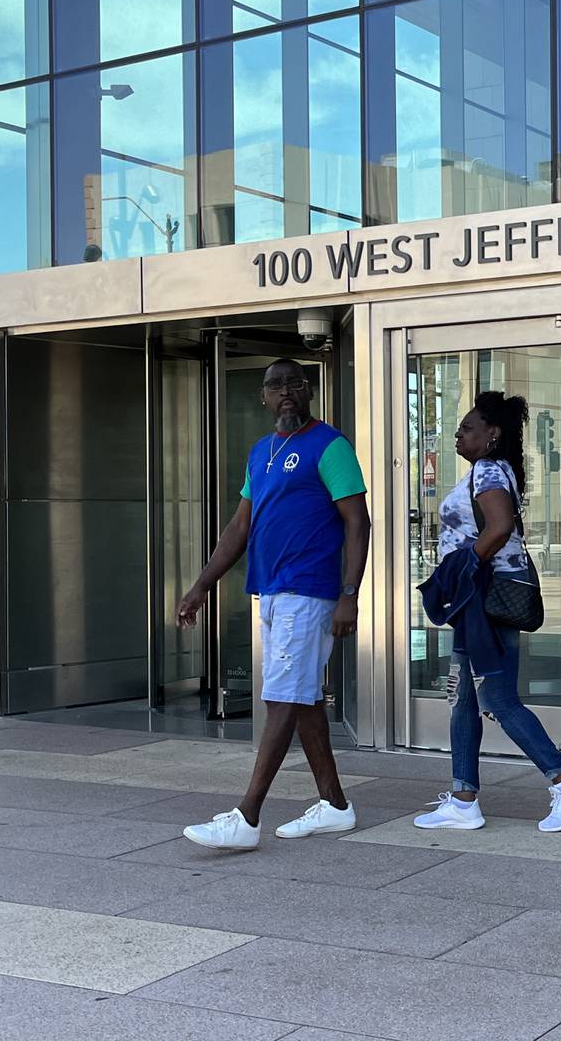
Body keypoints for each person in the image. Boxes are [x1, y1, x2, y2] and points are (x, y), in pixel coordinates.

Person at [177, 359, 370, 849]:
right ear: (262, 397)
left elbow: (357, 523)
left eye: (295, 385)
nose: (286, 392)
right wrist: (202, 585)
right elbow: (240, 526)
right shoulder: (262, 451)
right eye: (275, 386)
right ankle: (335, 806)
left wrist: (350, 593)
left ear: (309, 392)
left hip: (309, 592)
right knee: (301, 698)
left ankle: (247, 816)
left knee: (281, 697)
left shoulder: (330, 445)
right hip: (272, 590)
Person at [415, 391, 561, 832]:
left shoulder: (488, 470)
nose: (458, 434)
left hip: (486, 600)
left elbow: (499, 527)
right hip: (478, 599)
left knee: (497, 697)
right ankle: (463, 799)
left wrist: (463, 565)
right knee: (462, 697)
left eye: (468, 427)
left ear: (492, 434)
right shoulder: (488, 470)